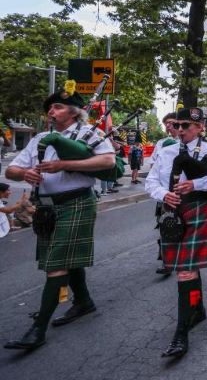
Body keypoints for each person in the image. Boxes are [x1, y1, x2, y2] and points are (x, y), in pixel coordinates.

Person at [4, 82, 116, 351]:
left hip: (76, 202)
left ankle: (38, 328)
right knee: (67, 258)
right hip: (46, 207)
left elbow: (108, 162)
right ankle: (83, 301)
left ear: (74, 112)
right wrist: (25, 174)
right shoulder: (39, 138)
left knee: (56, 262)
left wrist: (64, 164)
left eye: (58, 106)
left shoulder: (91, 134)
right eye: (49, 108)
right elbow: (11, 171)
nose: (51, 112)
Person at [145, 107, 207, 358]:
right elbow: (151, 182)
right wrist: (164, 194)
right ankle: (197, 308)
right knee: (188, 268)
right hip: (171, 212)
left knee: (186, 269)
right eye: (177, 125)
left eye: (186, 125)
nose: (179, 129)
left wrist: (196, 183)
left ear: (200, 127)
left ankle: (180, 333)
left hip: (198, 208)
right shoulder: (166, 151)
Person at [150, 112, 179, 276]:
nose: (169, 125)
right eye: (166, 123)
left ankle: (180, 255)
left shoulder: (185, 142)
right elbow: (154, 162)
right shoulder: (161, 143)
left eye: (172, 122)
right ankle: (166, 261)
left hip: (182, 191)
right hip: (164, 192)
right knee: (164, 225)